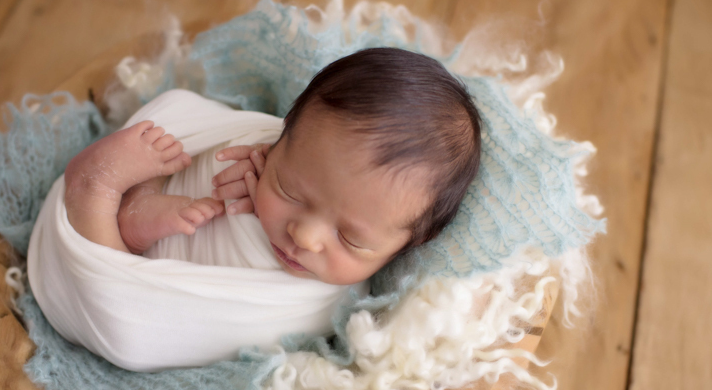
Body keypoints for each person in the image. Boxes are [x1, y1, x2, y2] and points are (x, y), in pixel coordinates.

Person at [63, 47, 482, 288]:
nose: (304, 235)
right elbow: (225, 136)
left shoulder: (341, 300)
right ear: (281, 136)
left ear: (408, 245)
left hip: (153, 285)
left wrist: (279, 192)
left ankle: (114, 211)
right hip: (123, 237)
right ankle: (110, 194)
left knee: (131, 315)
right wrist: (243, 168)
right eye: (291, 190)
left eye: (351, 239)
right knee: (184, 138)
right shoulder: (260, 153)